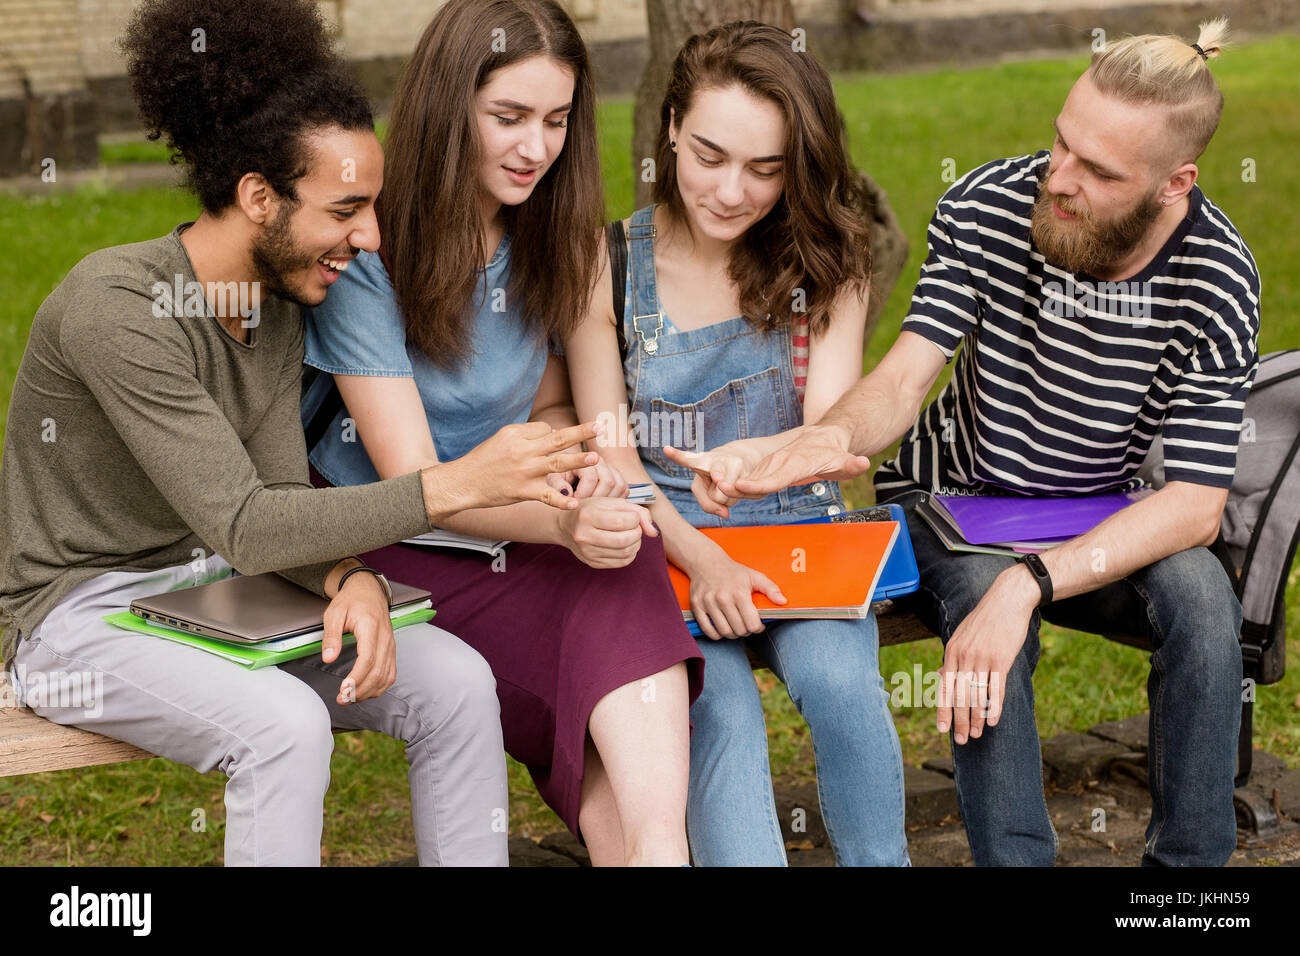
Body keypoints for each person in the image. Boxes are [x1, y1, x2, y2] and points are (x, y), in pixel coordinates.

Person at [0, 0, 601, 867]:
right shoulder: (117, 308)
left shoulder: (281, 302)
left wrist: (345, 576)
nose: (372, 238)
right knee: (284, 727)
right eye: (347, 209)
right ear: (257, 197)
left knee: (459, 683)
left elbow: (279, 504)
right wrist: (462, 482)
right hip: (76, 616)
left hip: (215, 591)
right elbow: (245, 521)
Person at [668, 19, 1258, 867]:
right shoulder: (986, 205)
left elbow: (1196, 508)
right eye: (1062, 143)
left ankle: (1187, 888)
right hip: (955, 502)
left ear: (1176, 184)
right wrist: (818, 440)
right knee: (989, 611)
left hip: (1096, 517)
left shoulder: (1220, 275)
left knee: (1203, 604)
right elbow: (907, 378)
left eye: (1098, 171)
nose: (1059, 179)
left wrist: (1033, 583)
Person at [300, 0, 703, 867]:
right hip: (389, 544)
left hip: (510, 520)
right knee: (603, 579)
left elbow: (554, 411)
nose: (536, 147)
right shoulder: (371, 253)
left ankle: (659, 851)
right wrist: (558, 522)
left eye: (556, 121)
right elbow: (415, 481)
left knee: (622, 549)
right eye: (509, 118)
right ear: (452, 109)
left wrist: (579, 482)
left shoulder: (554, 237)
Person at [564, 21, 909, 866]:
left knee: (843, 690)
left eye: (766, 168)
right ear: (673, 124)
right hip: (661, 542)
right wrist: (701, 556)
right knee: (718, 713)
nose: (731, 191)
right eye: (711, 155)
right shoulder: (602, 262)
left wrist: (776, 462)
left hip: (796, 532)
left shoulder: (828, 263)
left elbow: (825, 427)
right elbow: (612, 455)